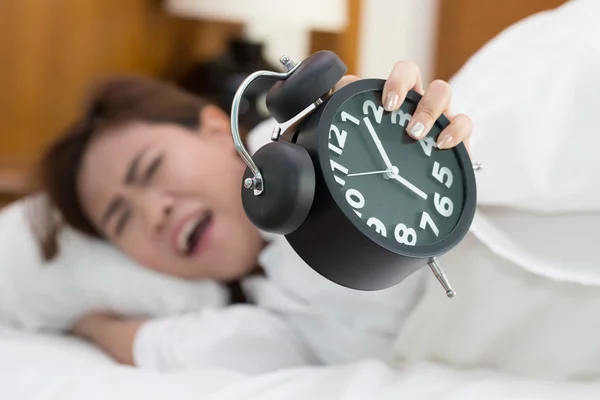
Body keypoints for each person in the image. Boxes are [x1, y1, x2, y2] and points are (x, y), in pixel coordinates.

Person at [29, 60, 473, 370]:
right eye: (121, 221)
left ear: (217, 130)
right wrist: (91, 326)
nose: (155, 212)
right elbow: (172, 349)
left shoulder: (333, 129)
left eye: (150, 170)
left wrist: (421, 137)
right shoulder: (265, 317)